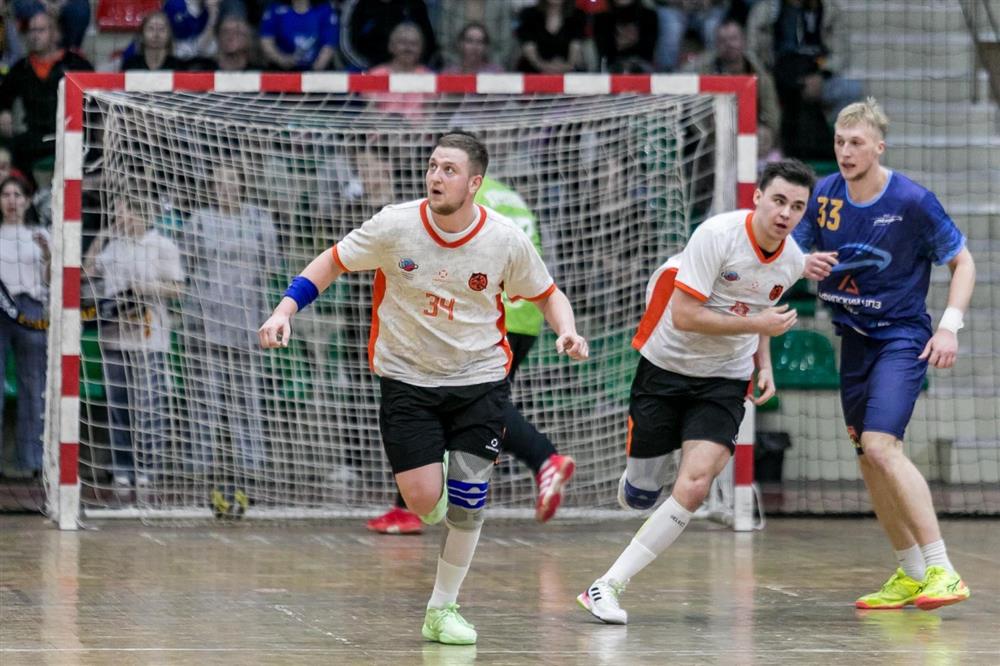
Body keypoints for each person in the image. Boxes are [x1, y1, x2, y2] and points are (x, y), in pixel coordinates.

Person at [259, 131, 588, 644]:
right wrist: (285, 310)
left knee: (469, 500)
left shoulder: (503, 238)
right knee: (421, 502)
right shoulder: (395, 225)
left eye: (449, 170)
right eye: (433, 166)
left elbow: (548, 294)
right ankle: (435, 487)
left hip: (479, 380)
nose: (436, 176)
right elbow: (331, 262)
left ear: (474, 183)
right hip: (407, 379)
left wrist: (566, 330)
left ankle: (442, 608)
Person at [577, 159, 815, 624]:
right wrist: (758, 325)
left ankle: (607, 585)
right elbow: (685, 316)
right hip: (667, 365)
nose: (786, 213)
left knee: (695, 483)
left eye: (797, 206)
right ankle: (639, 483)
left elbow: (760, 311)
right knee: (642, 494)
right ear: (758, 198)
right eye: (779, 200)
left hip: (724, 379)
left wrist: (764, 364)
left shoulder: (792, 261)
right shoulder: (716, 236)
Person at [795, 98, 975, 611]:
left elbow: (963, 263)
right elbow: (794, 252)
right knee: (868, 458)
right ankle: (911, 572)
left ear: (879, 147)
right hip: (853, 338)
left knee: (880, 445)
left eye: (856, 143)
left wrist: (949, 328)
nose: (845, 151)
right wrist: (802, 263)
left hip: (901, 336)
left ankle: (943, 569)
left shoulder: (913, 201)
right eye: (839, 141)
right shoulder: (824, 194)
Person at [366, 173, 576, 534]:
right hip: (526, 315)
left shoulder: (465, 201)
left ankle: (543, 458)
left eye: (448, 167)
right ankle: (417, 500)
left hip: (483, 316)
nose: (438, 176)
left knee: (472, 400)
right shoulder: (510, 197)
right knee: (476, 400)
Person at [184, 165, 281, 515]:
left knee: (247, 398)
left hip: (247, 322)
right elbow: (186, 265)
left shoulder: (260, 220)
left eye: (231, 180)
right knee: (205, 399)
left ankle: (252, 466)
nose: (226, 187)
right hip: (207, 321)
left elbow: (272, 265)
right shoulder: (199, 220)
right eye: (219, 182)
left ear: (242, 183)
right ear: (211, 187)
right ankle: (201, 466)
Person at [82, 199, 184, 489]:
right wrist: (103, 235)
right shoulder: (113, 247)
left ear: (141, 213)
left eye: (124, 211)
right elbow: (87, 271)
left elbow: (178, 288)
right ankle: (122, 466)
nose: (120, 216)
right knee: (119, 404)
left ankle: (148, 466)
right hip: (115, 336)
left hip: (151, 337)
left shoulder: (161, 245)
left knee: (149, 404)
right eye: (116, 212)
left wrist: (146, 288)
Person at [0, 11, 92, 180]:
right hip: (37, 137)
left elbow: (96, 96)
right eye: (31, 30)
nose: (35, 36)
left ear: (55, 34)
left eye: (41, 30)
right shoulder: (21, 68)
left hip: (70, 134)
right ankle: (27, 192)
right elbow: (4, 96)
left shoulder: (75, 63)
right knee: (9, 148)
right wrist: (4, 111)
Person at [0, 176, 48, 478]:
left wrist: (49, 254)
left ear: (28, 201)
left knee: (34, 385)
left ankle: (31, 461)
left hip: (31, 310)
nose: (12, 200)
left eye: (17, 195)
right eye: (6, 194)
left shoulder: (40, 235)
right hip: (0, 308)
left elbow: (53, 280)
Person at [259, 0, 340, 71]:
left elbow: (329, 45)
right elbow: (266, 41)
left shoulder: (324, 9)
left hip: (315, 71)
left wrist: (315, 70)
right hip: (281, 70)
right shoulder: (275, 8)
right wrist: (282, 60)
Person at [515, 0, 587, 74]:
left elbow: (576, 48)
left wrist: (567, 66)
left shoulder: (578, 15)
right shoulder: (529, 14)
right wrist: (543, 66)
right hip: (533, 72)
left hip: (569, 72)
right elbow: (528, 46)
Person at [122, 11, 189, 71]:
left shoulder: (179, 67)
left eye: (161, 29)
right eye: (151, 29)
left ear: (169, 35)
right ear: (142, 34)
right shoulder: (131, 66)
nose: (156, 34)